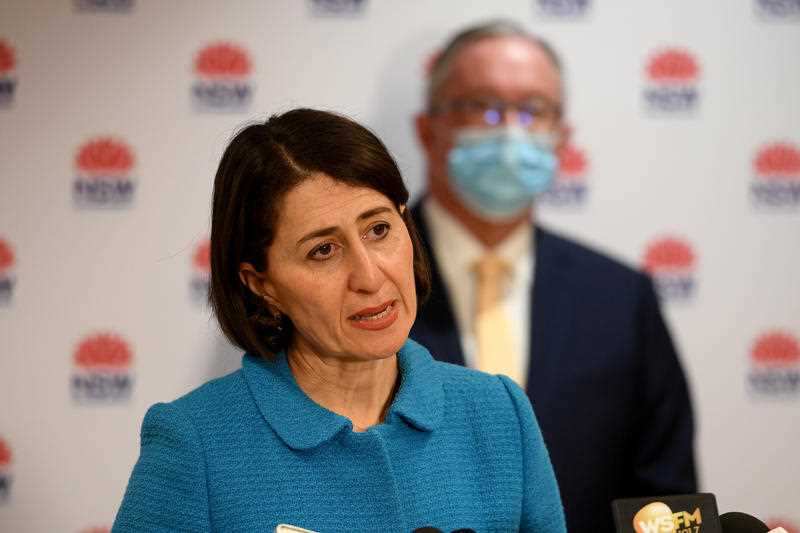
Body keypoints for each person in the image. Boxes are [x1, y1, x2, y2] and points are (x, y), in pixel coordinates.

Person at [112, 109, 566, 532]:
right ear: (261, 283)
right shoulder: (194, 444)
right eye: (323, 251)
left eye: (379, 229)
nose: (370, 277)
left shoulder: (498, 413)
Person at [409, 21, 697, 532]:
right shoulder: (364, 282)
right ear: (428, 130)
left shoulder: (620, 299)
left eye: (534, 110)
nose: (510, 131)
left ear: (562, 138)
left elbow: (668, 498)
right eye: (482, 106)